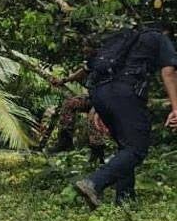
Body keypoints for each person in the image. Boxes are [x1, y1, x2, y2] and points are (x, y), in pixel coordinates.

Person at [72, 23, 177, 208]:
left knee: (126, 146)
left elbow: (96, 70)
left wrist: (99, 108)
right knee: (136, 149)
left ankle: (125, 199)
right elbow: (169, 73)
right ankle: (94, 183)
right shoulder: (160, 37)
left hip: (99, 92)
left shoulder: (125, 38)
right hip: (125, 93)